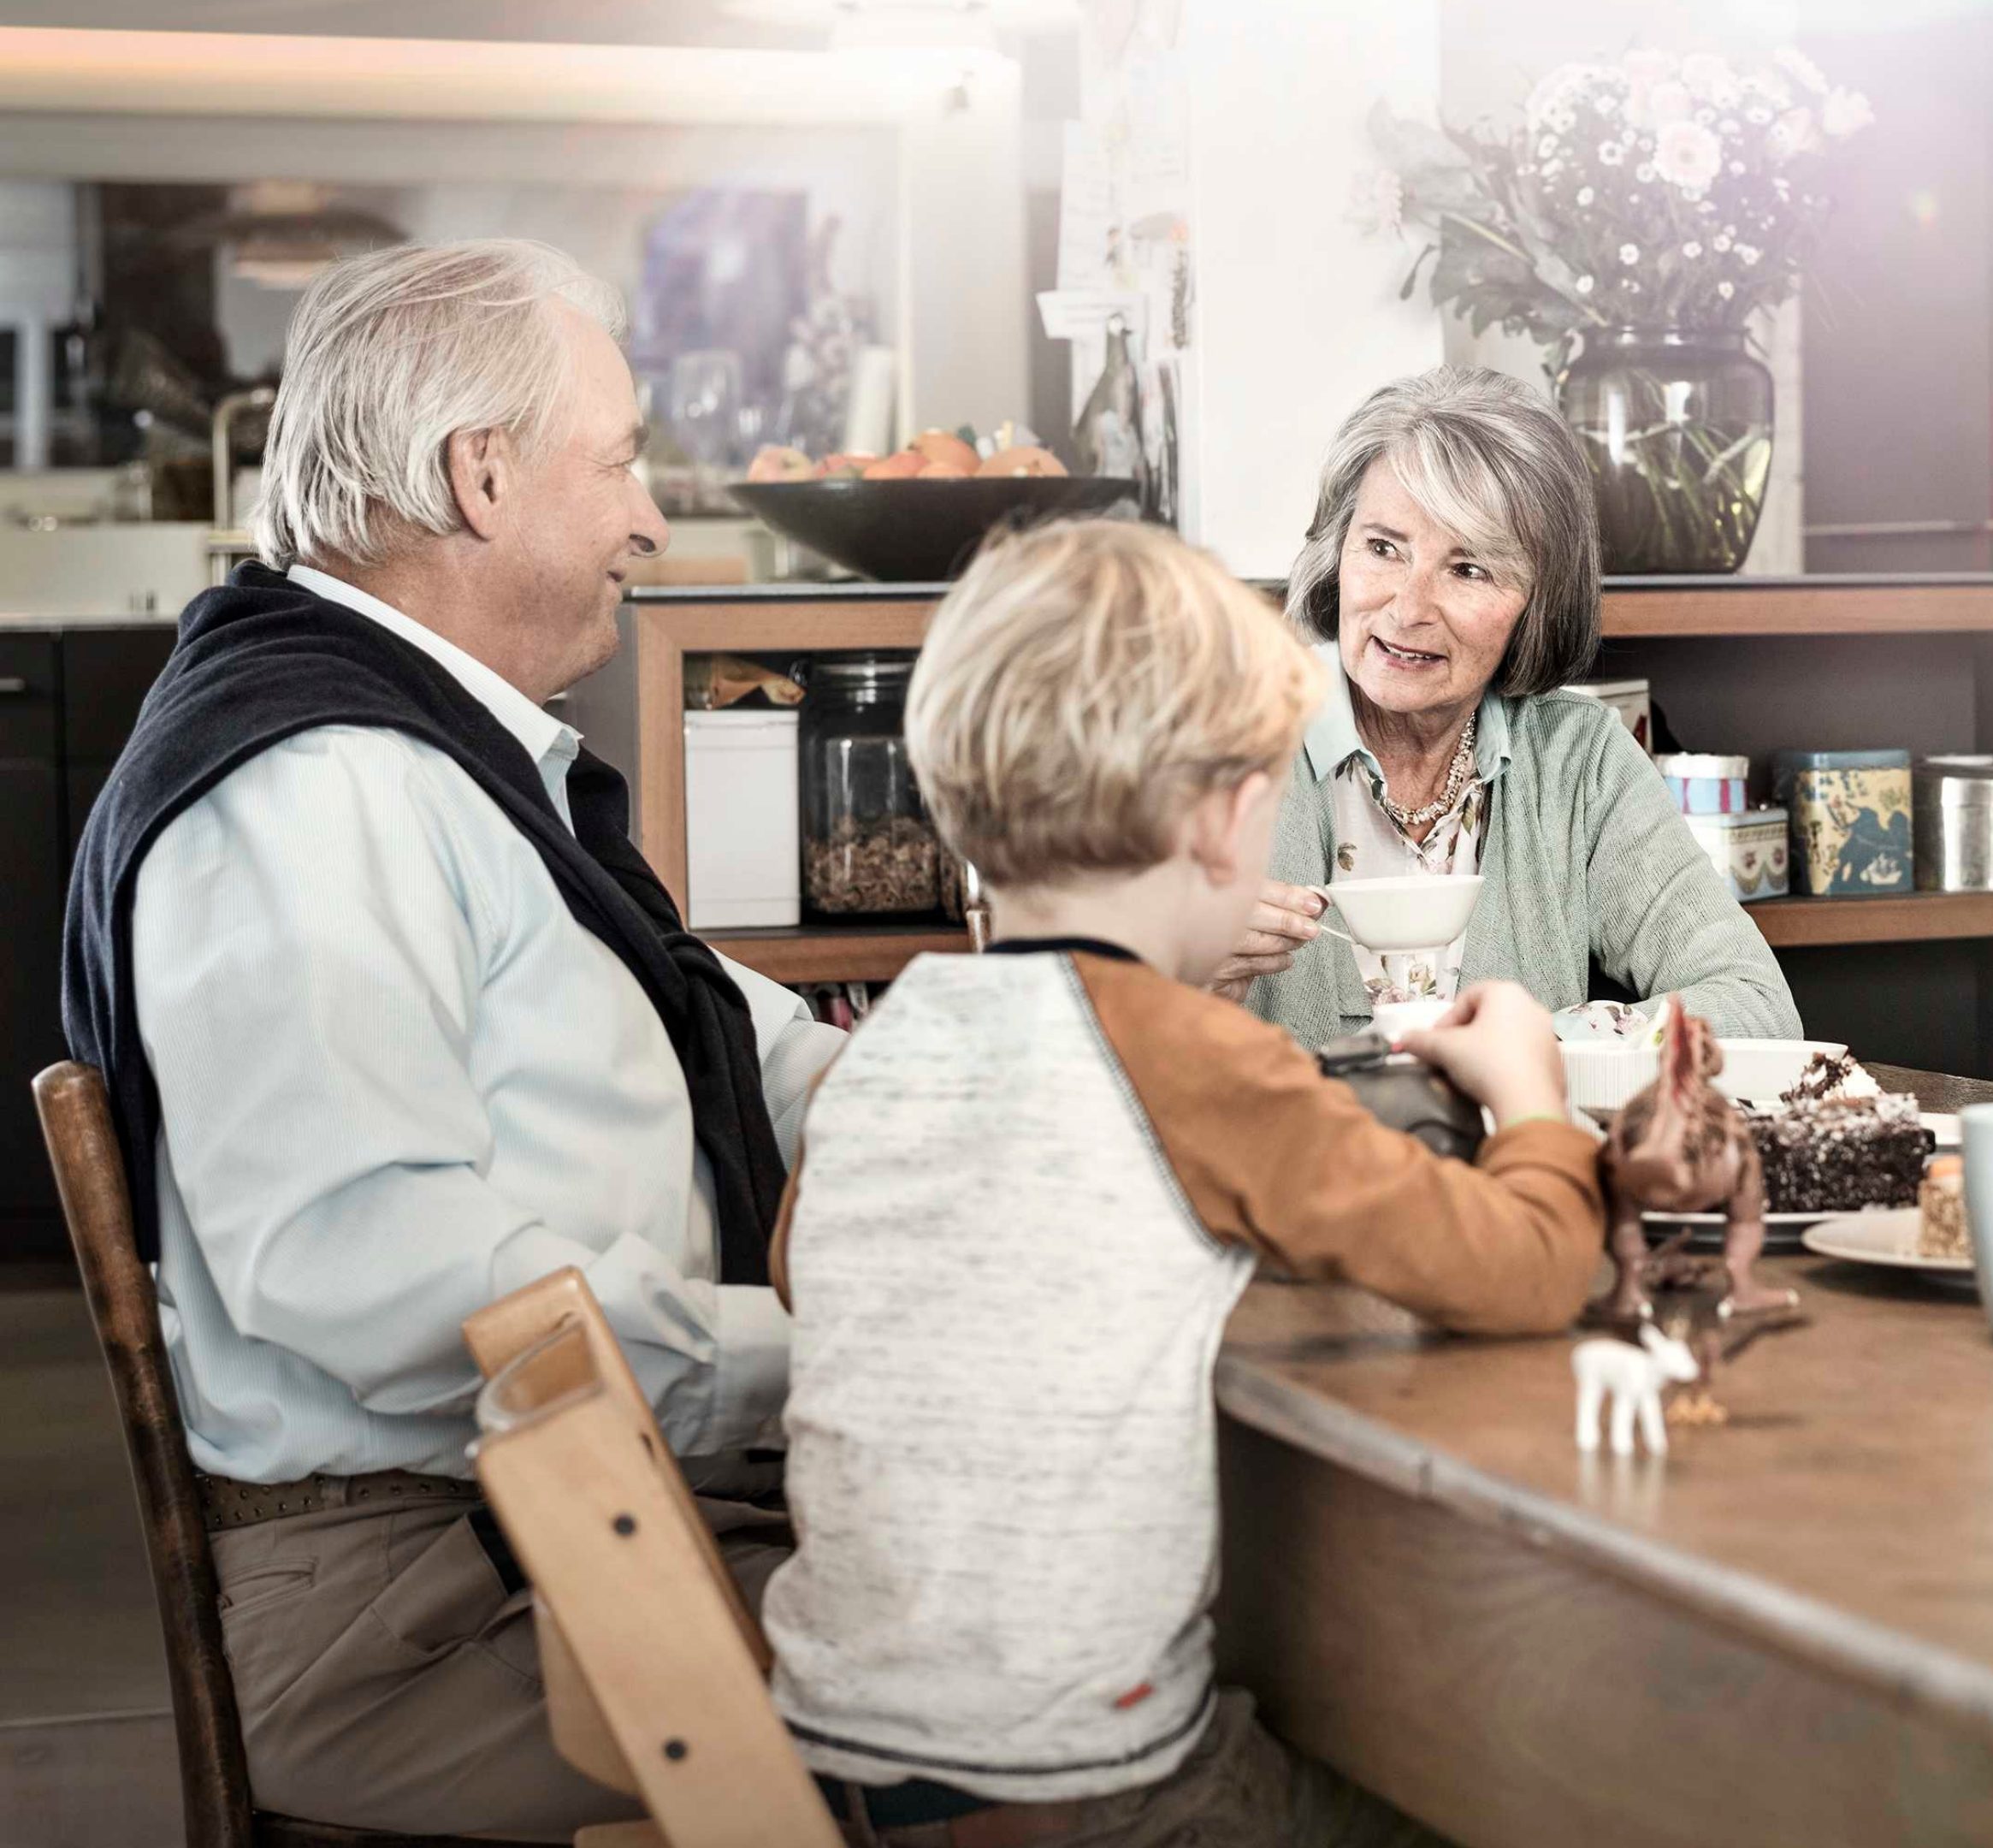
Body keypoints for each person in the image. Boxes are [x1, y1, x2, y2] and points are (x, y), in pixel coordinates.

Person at [58, 240, 838, 1835]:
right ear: (483, 479)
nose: (648, 518)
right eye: (617, 464)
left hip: (543, 1522)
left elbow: (742, 1045)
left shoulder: (431, 758)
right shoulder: (315, 786)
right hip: (424, 1603)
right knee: (1052, 1686)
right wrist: (807, 1369)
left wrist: (1035, 1087)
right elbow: (366, 1252)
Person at [765, 517, 1602, 1846]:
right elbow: (1526, 1271)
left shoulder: (887, 1039)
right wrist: (1530, 1094)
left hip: (846, 1757)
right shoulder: (1194, 1062)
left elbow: (814, 1280)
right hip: (1095, 1784)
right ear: (1225, 825)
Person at [1218, 366, 1799, 1044]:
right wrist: (1185, 988)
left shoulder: (1578, 761)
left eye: (1468, 570)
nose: (1407, 610)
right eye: (1383, 548)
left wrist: (1529, 1047)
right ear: (1337, 554)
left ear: (1538, 602)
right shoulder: (1209, 744)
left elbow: (1757, 1008)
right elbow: (1090, 1046)